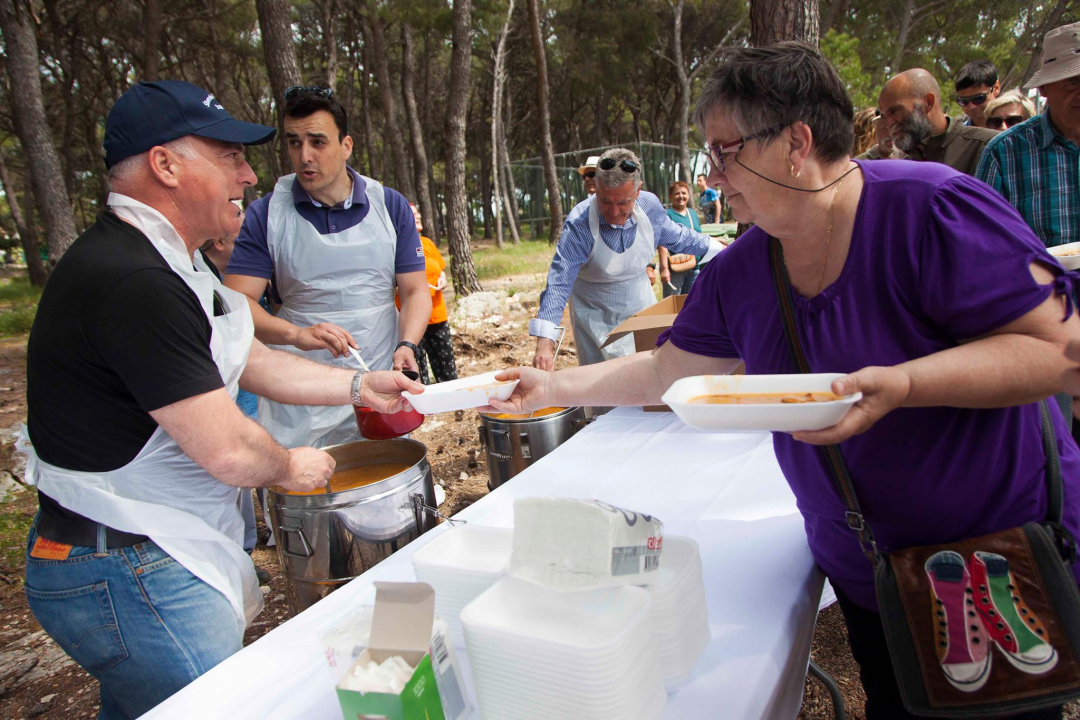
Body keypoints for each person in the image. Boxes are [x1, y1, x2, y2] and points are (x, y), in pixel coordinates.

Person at [491, 43, 1080, 720]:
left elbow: (1060, 350)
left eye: (724, 151)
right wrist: (556, 388)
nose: (713, 178)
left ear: (797, 142)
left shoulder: (932, 211)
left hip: (987, 569)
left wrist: (907, 384)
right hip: (869, 576)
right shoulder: (741, 271)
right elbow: (666, 370)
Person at [20, 80, 423, 719]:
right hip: (129, 564)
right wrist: (292, 466)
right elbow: (230, 450)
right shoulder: (133, 281)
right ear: (165, 165)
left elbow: (250, 358)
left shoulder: (167, 263)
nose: (249, 171)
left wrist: (357, 383)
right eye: (229, 155)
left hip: (135, 554)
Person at [224, 86, 431, 449]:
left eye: (318, 142)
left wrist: (407, 343)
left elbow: (415, 291)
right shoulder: (266, 215)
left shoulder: (389, 205)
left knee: (382, 480)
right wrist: (294, 334)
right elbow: (236, 305)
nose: (304, 156)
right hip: (299, 392)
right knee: (308, 491)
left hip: (378, 376)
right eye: (293, 142)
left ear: (346, 145)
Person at [529, 148, 723, 370]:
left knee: (649, 373)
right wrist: (545, 344)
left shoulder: (649, 208)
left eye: (623, 202)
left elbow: (679, 237)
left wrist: (723, 250)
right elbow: (559, 282)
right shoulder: (580, 223)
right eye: (605, 201)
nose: (613, 211)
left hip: (639, 305)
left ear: (638, 191)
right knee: (602, 381)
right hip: (594, 314)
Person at [976, 21, 1080, 250]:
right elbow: (982, 241)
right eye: (1074, 82)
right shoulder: (1004, 152)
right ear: (1044, 88)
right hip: (1040, 286)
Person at [877, 68, 998, 175]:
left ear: (928, 102)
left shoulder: (988, 146)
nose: (888, 123)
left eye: (895, 111)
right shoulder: (900, 165)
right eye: (883, 116)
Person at [400, 203, 458, 384]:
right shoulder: (397, 247)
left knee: (446, 366)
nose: (417, 216)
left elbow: (440, 271)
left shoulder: (427, 243)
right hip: (413, 318)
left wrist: (442, 280)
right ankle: (423, 405)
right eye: (412, 214)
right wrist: (415, 288)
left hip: (437, 316)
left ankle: (453, 404)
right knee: (418, 366)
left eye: (418, 213)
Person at [659, 180, 703, 297]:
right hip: (675, 270)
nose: (681, 196)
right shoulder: (667, 215)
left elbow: (699, 237)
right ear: (670, 196)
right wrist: (664, 269)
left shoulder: (692, 214)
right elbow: (662, 244)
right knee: (672, 306)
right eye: (677, 193)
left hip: (694, 268)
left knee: (692, 303)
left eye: (684, 193)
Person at [954, 60, 1001, 128]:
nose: (971, 107)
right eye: (964, 101)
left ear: (996, 88)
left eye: (978, 98)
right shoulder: (958, 136)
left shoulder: (1015, 131)